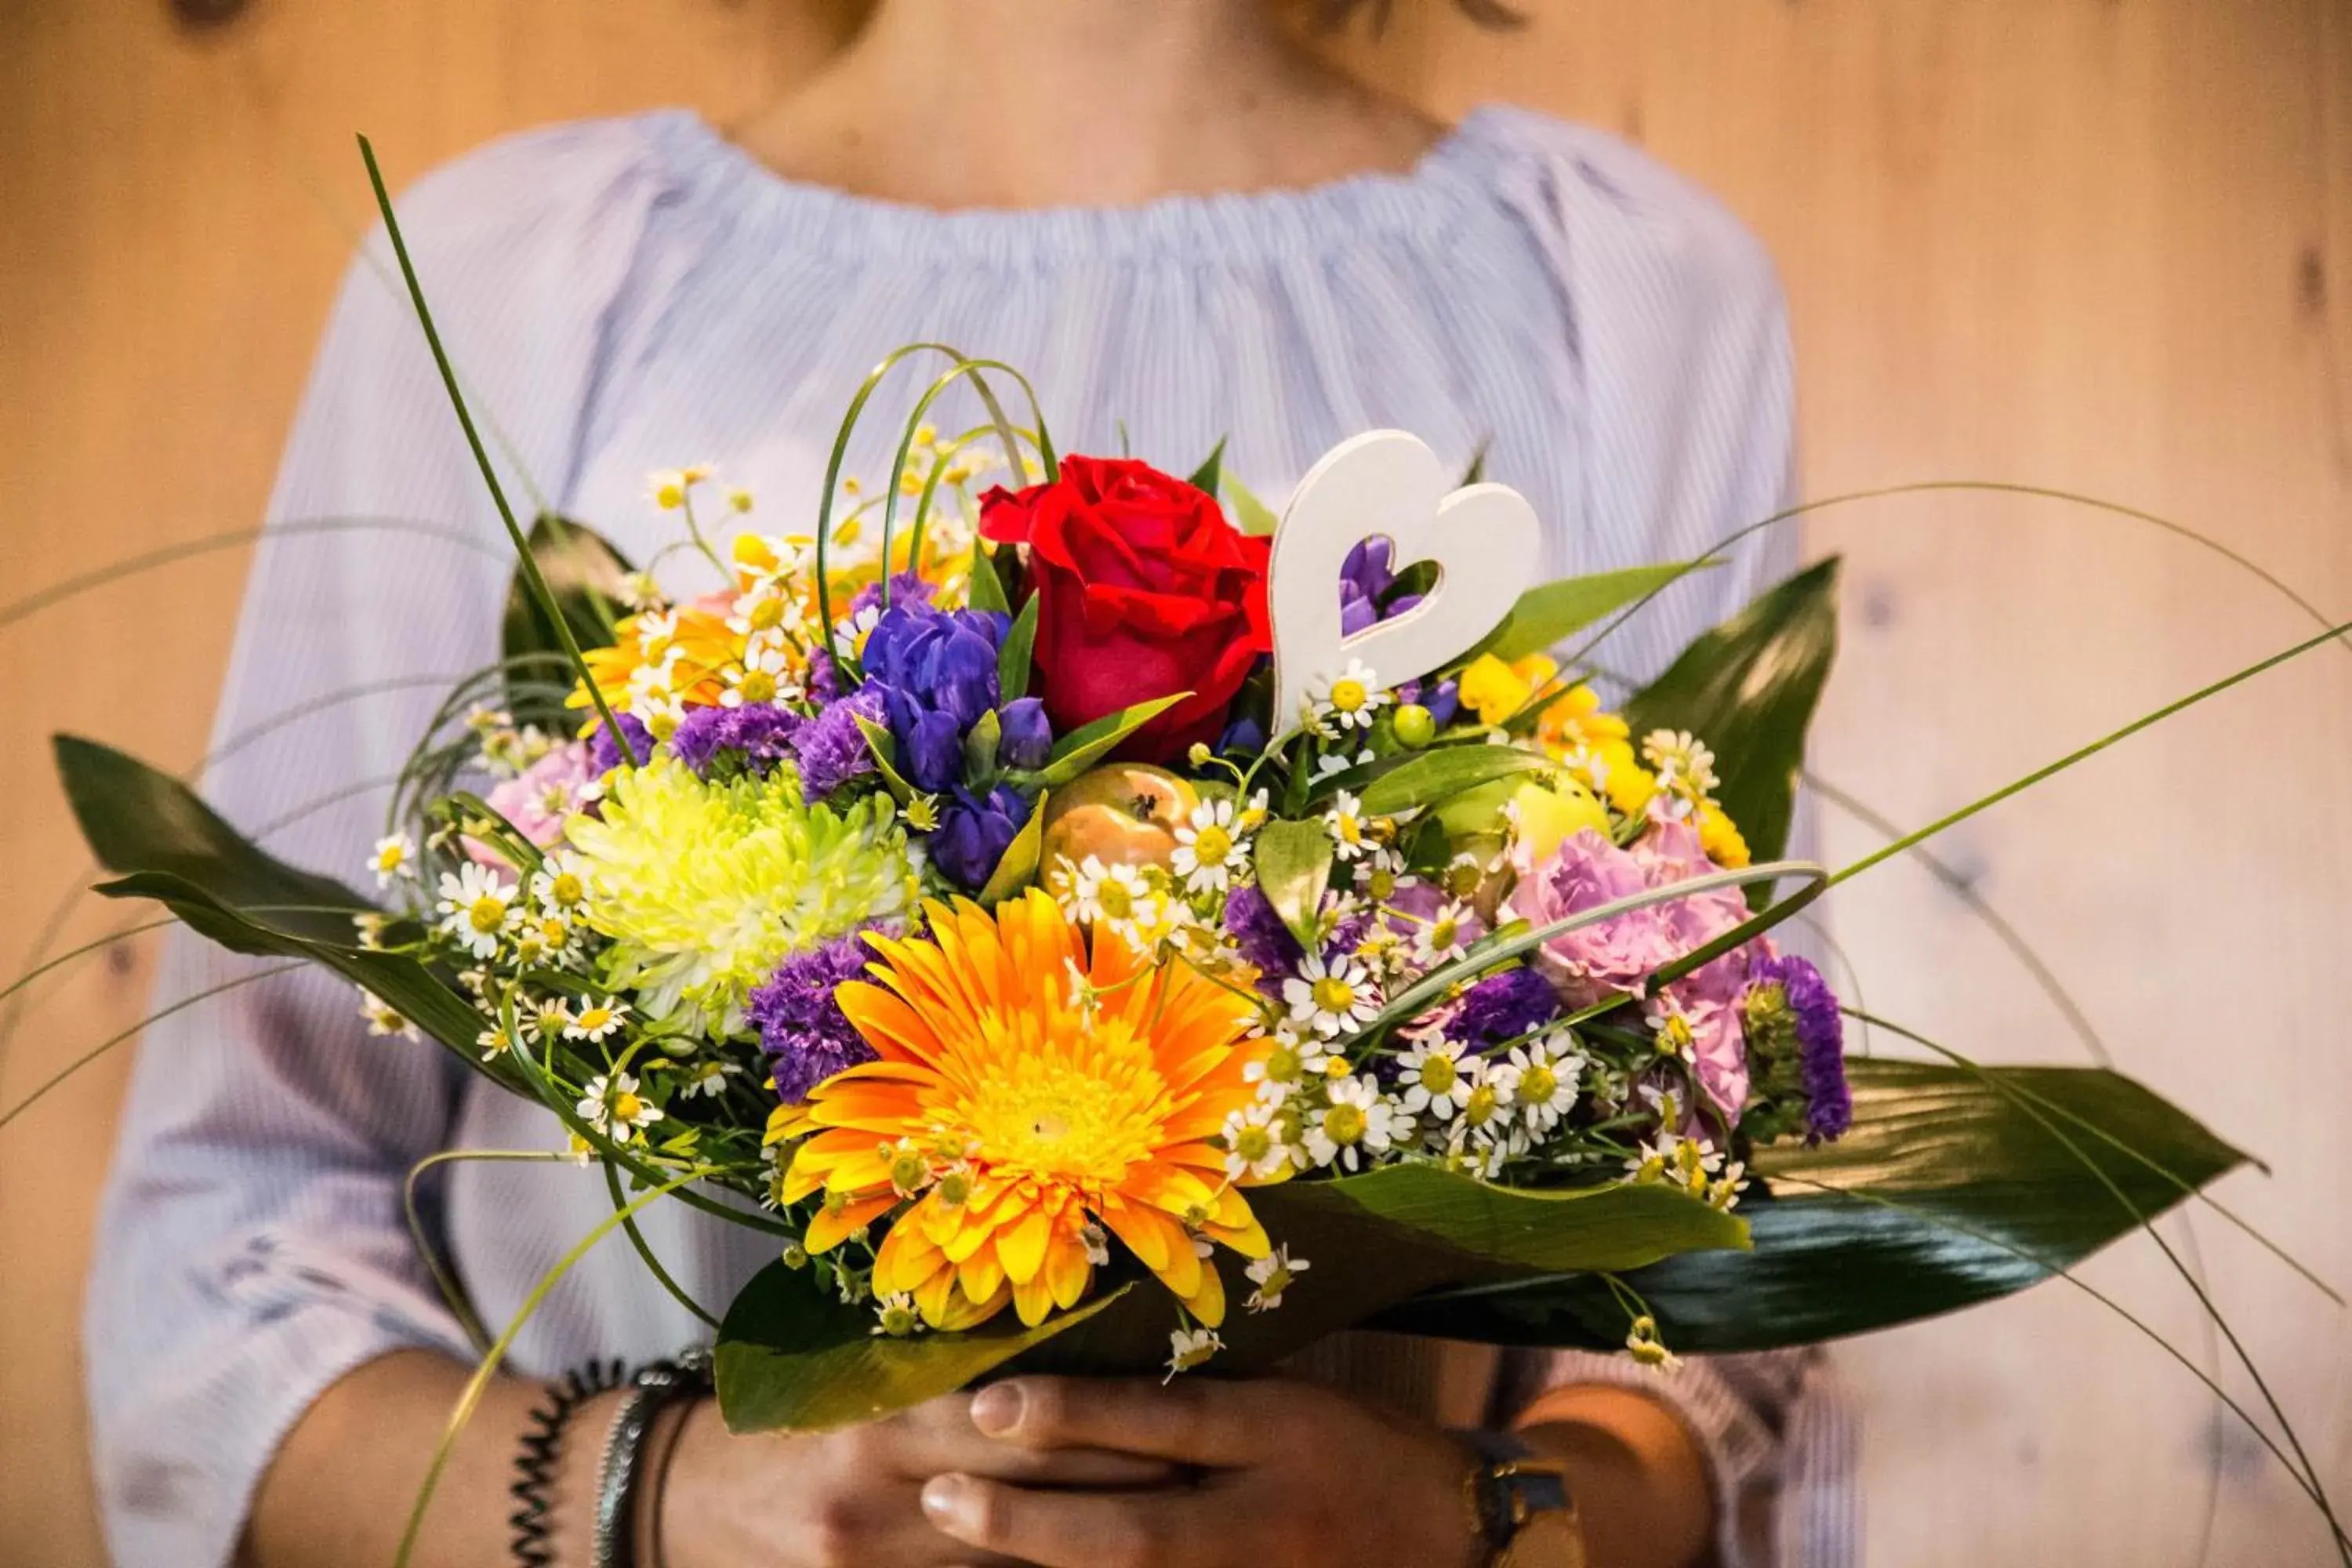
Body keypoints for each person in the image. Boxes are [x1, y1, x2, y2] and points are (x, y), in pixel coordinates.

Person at [85, 2, 1855, 1564]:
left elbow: (1734, 1260)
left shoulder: (1621, 285)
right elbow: (233, 1229)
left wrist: (1476, 1521)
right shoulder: (524, 273)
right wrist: (668, 1497)